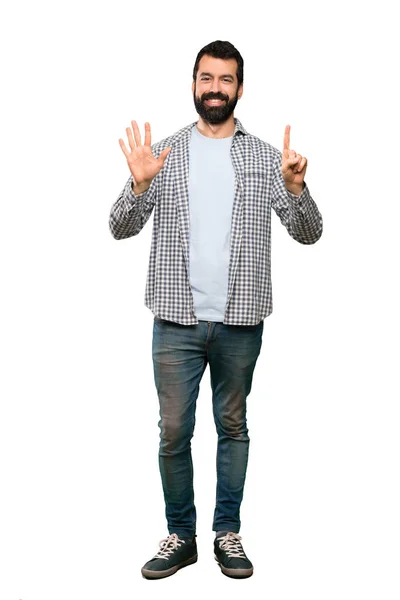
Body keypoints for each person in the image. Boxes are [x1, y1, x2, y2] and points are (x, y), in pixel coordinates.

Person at [109, 40, 323, 580]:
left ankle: (227, 532)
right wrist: (139, 185)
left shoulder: (264, 157)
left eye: (226, 80)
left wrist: (297, 190)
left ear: (240, 89)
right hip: (175, 323)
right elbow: (119, 226)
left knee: (233, 425)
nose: (215, 89)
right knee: (173, 431)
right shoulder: (166, 152)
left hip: (240, 323)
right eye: (207, 78)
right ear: (193, 84)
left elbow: (310, 233)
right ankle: (181, 536)